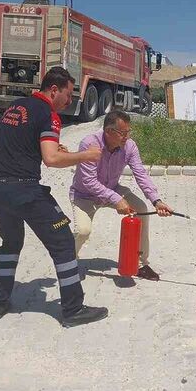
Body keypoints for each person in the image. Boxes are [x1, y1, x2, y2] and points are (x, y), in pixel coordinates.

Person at [0, 66, 107, 327]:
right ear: (54, 90)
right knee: (63, 240)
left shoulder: (16, 107)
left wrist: (45, 148)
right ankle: (73, 310)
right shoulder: (49, 114)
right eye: (68, 94)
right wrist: (85, 155)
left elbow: (23, 144)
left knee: (11, 242)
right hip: (24, 190)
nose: (70, 100)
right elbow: (51, 159)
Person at [70, 110, 173, 281]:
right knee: (83, 231)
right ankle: (68, 263)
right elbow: (89, 182)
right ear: (109, 132)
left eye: (128, 132)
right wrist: (117, 199)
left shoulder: (130, 146)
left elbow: (140, 174)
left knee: (141, 208)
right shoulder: (89, 144)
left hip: (112, 188)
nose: (127, 137)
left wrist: (157, 200)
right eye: (123, 133)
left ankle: (140, 265)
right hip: (84, 194)